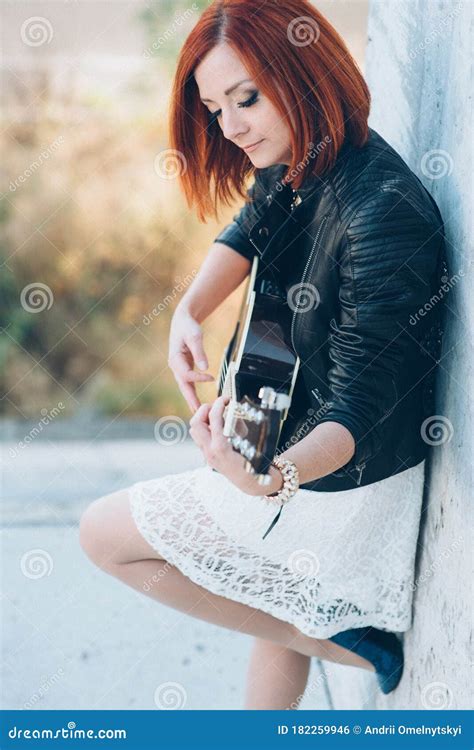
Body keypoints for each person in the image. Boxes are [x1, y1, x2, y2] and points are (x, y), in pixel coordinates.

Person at [79, 0, 447, 708]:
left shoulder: (385, 211)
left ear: (305, 71)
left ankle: (348, 639)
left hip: (339, 481)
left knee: (103, 536)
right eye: (216, 108)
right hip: (273, 414)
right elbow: (252, 224)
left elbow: (361, 407)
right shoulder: (302, 158)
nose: (232, 126)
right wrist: (188, 313)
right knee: (266, 618)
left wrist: (272, 478)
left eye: (246, 97)